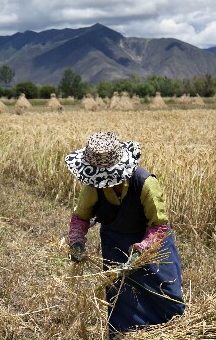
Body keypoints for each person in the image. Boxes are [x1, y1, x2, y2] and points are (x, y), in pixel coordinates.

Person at [65, 131, 184, 337]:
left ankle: (173, 333)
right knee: (122, 296)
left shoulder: (145, 183)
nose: (105, 182)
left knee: (166, 295)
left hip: (154, 245)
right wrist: (76, 241)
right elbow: (81, 217)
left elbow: (159, 226)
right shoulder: (94, 185)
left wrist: (142, 251)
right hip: (115, 244)